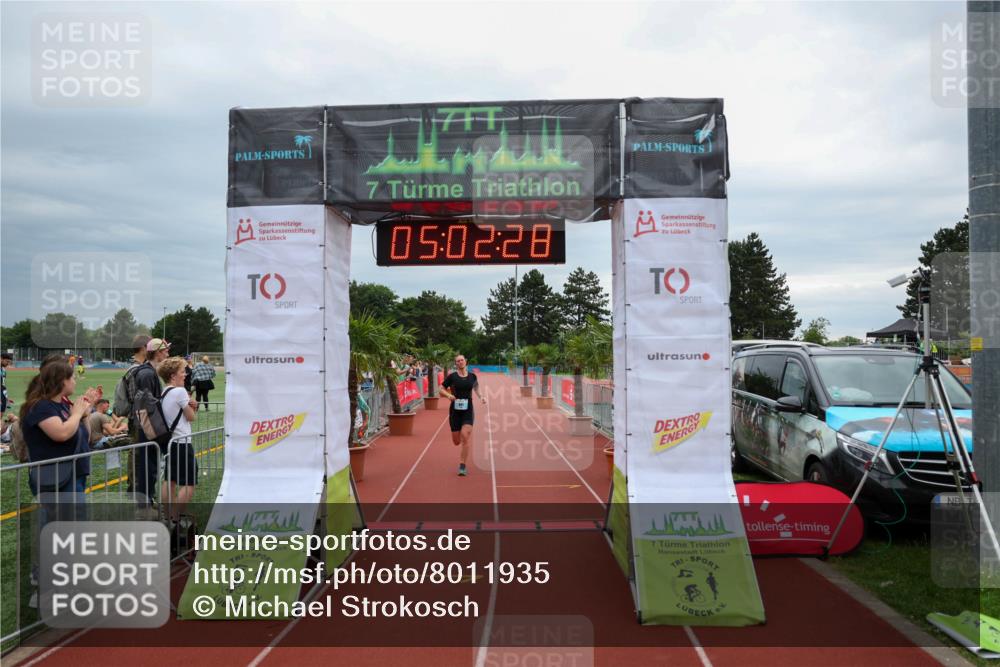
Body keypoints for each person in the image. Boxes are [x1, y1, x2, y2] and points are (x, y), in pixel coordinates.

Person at [157, 357, 199, 525]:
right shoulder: (180, 392)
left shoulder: (164, 392)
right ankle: (176, 517)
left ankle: (167, 515)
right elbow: (191, 417)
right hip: (182, 442)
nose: (185, 375)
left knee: (170, 480)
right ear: (173, 375)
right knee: (189, 482)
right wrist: (192, 407)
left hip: (170, 443)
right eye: (182, 372)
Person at [130, 338, 170, 505]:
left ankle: (147, 499)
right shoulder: (146, 373)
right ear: (158, 352)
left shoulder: (149, 371)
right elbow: (147, 404)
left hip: (147, 425)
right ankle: (145, 502)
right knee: (147, 466)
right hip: (147, 426)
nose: (168, 353)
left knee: (150, 465)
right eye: (166, 350)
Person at [439, 354, 486, 476]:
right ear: (456, 364)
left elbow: (476, 388)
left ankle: (462, 465)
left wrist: (481, 397)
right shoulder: (452, 377)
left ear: (466, 361)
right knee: (456, 441)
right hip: (455, 410)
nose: (460, 362)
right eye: (457, 361)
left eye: (462, 360)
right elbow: (441, 388)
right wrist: (448, 395)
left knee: (465, 436)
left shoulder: (472, 376)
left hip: (468, 409)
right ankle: (459, 440)